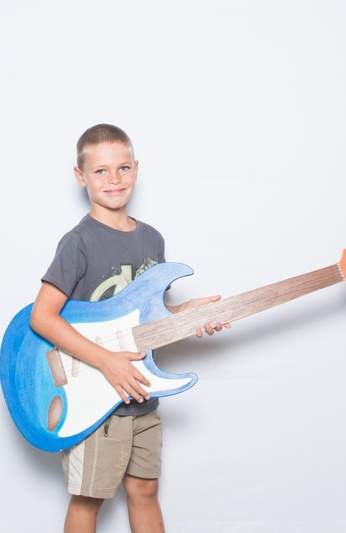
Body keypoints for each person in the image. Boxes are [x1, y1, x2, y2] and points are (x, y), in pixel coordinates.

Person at [29, 124, 229, 533]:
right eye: (100, 171)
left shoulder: (152, 239)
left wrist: (185, 313)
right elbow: (42, 317)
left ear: (136, 169)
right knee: (88, 498)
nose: (114, 179)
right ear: (80, 176)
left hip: (141, 392)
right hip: (93, 396)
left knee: (145, 489)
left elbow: (148, 317)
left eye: (123, 168)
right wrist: (107, 361)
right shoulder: (79, 242)